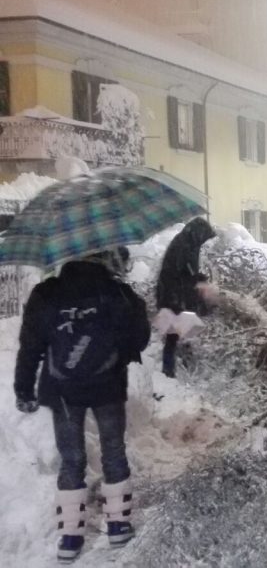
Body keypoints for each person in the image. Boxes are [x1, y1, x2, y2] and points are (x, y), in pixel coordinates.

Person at [13, 249, 150, 563]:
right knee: (113, 450)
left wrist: (24, 388)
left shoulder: (45, 293)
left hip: (60, 390)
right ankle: (118, 524)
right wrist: (118, 353)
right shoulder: (117, 292)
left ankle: (70, 536)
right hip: (108, 386)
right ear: (103, 256)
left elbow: (31, 345)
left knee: (71, 458)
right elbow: (139, 338)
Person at [155, 218, 217, 378]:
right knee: (175, 336)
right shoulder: (185, 245)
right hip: (174, 298)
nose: (204, 242)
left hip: (173, 297)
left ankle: (181, 367)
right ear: (199, 233)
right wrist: (199, 278)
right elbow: (185, 273)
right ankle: (171, 371)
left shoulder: (186, 242)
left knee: (181, 334)